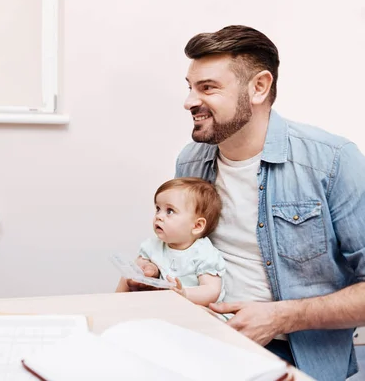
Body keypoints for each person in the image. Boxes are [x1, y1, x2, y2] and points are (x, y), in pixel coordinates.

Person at [129, 25, 365, 379]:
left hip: (293, 353)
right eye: (190, 87)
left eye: (207, 88)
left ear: (259, 87)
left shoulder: (332, 161)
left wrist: (281, 316)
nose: (189, 101)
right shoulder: (191, 161)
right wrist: (157, 272)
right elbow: (189, 253)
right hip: (201, 336)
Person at [116, 178, 226, 307]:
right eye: (158, 209)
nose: (159, 216)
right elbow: (134, 273)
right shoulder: (153, 246)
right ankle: (116, 305)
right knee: (128, 276)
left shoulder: (204, 253)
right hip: (166, 308)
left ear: (197, 226)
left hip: (198, 310)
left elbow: (211, 291)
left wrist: (184, 294)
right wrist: (143, 270)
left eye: (170, 211)